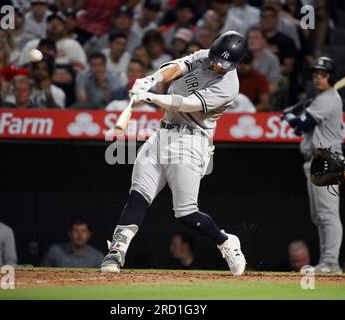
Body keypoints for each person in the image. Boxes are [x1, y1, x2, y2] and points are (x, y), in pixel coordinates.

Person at [100, 31, 247, 276]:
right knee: (138, 196)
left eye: (223, 65)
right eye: (215, 60)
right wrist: (151, 79)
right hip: (162, 133)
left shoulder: (229, 86)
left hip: (191, 141)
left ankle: (226, 241)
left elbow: (186, 103)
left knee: (186, 212)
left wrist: (151, 96)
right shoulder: (205, 56)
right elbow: (177, 66)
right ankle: (116, 251)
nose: (216, 66)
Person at [283, 57, 344, 273]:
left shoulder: (328, 98)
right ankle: (326, 262)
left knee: (327, 214)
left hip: (327, 161)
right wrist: (299, 110)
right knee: (319, 216)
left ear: (331, 77)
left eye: (323, 74)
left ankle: (331, 262)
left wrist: (290, 115)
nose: (318, 77)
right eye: (316, 73)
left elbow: (301, 126)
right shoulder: (320, 99)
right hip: (316, 161)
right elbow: (306, 129)